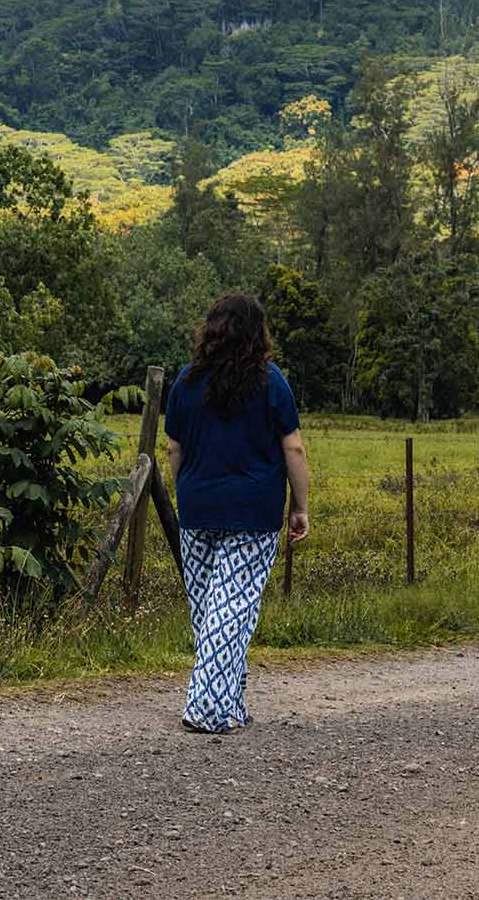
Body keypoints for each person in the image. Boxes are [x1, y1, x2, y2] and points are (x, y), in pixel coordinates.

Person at [163, 291, 310, 733]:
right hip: (253, 509)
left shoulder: (186, 382)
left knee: (209, 607)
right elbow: (294, 447)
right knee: (232, 608)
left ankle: (230, 705)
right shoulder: (271, 381)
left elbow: (174, 448)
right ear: (256, 335)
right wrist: (300, 507)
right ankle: (205, 708)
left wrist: (187, 488)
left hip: (197, 506)